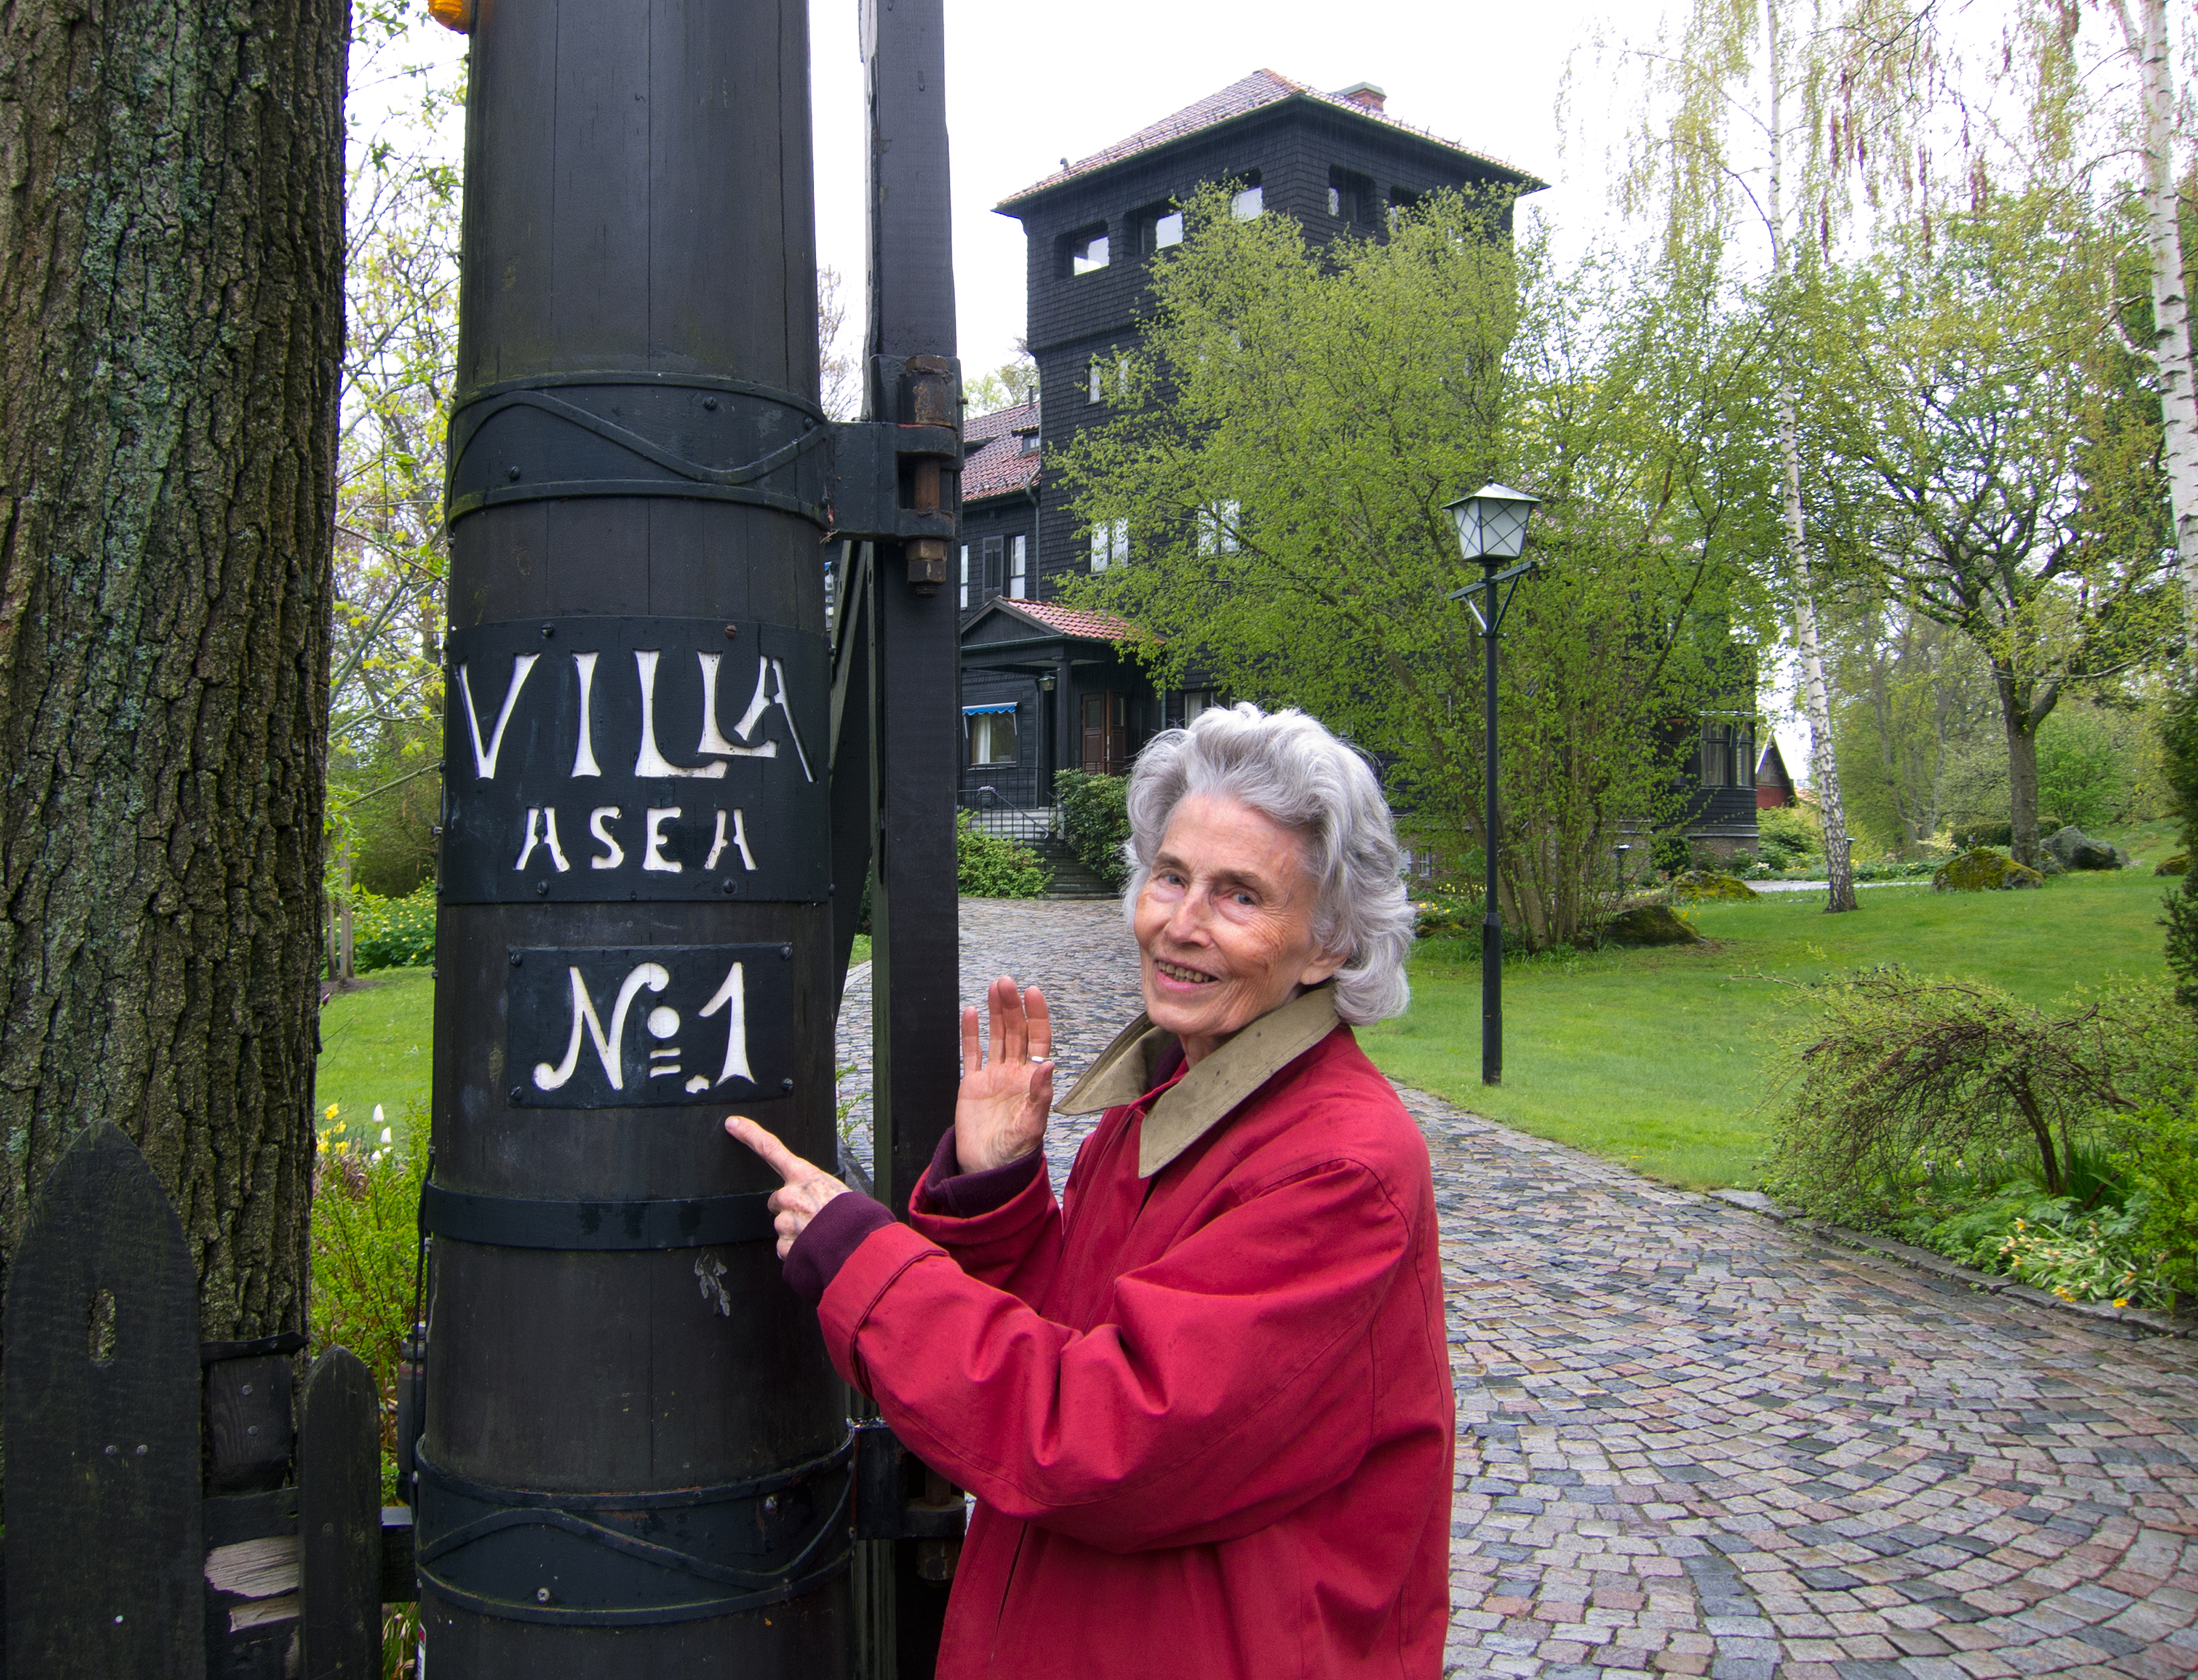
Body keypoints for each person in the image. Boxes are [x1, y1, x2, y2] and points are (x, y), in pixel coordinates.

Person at [727, 703, 1453, 1678]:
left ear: (1328, 945)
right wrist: (997, 1190)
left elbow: (1103, 1439)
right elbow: (1079, 1335)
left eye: (1239, 896)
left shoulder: (1340, 1170)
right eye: (1170, 876)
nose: (1180, 924)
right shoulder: (1176, 1087)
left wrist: (867, 1264)